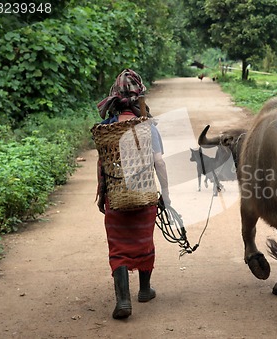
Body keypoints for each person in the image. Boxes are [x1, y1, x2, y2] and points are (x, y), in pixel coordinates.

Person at [95, 69, 170, 319]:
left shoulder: (106, 128)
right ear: (140, 99)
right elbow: (158, 162)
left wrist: (101, 195)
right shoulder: (148, 127)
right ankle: (145, 290)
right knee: (143, 242)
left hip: (116, 198)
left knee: (118, 247)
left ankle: (123, 300)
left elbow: (104, 166)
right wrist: (166, 195)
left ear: (115, 98)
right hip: (144, 197)